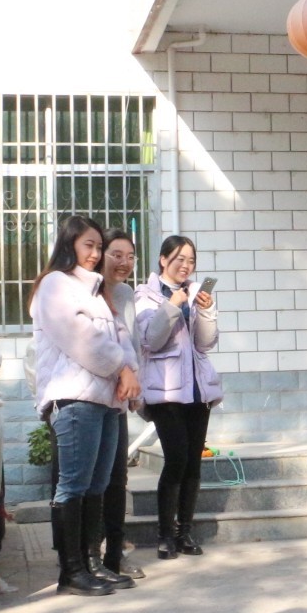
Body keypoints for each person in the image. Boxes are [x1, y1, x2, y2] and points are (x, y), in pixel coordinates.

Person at [30, 215, 141, 596]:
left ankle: (93, 563)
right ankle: (71, 571)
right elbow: (83, 339)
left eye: (98, 246)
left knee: (97, 484)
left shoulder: (95, 290)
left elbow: (121, 337)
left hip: (106, 400)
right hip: (74, 398)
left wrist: (131, 375)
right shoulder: (56, 285)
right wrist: (122, 369)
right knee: (73, 484)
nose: (95, 254)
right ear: (70, 245)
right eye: (88, 246)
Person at [135, 235, 223, 559]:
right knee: (175, 460)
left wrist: (207, 311)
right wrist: (172, 305)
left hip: (198, 390)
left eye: (191, 260)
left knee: (192, 464)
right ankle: (165, 535)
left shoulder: (196, 292)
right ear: (163, 260)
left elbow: (205, 343)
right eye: (179, 259)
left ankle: (185, 532)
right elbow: (151, 339)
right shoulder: (145, 295)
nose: (186, 266)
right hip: (165, 391)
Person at [100, 229, 147, 581]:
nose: (125, 263)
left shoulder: (127, 294)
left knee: (117, 480)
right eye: (117, 255)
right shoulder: (82, 291)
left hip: (117, 401)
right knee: (89, 484)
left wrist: (135, 391)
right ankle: (82, 556)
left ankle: (114, 556)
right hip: (85, 401)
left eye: (130, 257)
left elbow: (132, 343)